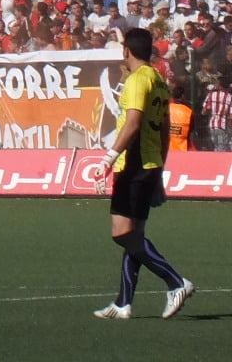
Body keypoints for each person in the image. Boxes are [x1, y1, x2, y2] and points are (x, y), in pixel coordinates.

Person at [92, 28, 193, 320]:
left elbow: (133, 123)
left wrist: (109, 158)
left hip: (133, 163)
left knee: (121, 233)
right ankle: (123, 303)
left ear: (127, 51)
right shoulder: (159, 80)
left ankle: (176, 282)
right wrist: (159, 170)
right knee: (135, 234)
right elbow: (162, 132)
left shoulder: (137, 80)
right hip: (148, 165)